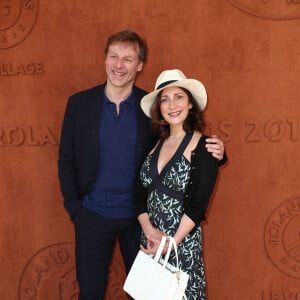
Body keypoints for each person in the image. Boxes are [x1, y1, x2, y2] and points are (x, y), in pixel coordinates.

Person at [58, 30, 226, 300]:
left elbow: (181, 144)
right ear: (105, 60)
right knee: (89, 293)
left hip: (139, 221)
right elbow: (66, 160)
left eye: (128, 59)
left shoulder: (148, 108)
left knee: (147, 294)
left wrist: (218, 152)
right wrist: (75, 209)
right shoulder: (79, 104)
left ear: (139, 65)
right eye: (114, 57)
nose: (119, 65)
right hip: (91, 216)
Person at [134, 69, 226, 300]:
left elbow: (197, 206)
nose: (172, 105)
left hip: (181, 248)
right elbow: (138, 194)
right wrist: (149, 232)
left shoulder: (206, 148)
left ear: (191, 104)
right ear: (159, 108)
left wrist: (170, 244)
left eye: (179, 97)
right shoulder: (153, 145)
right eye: (165, 99)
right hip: (151, 245)